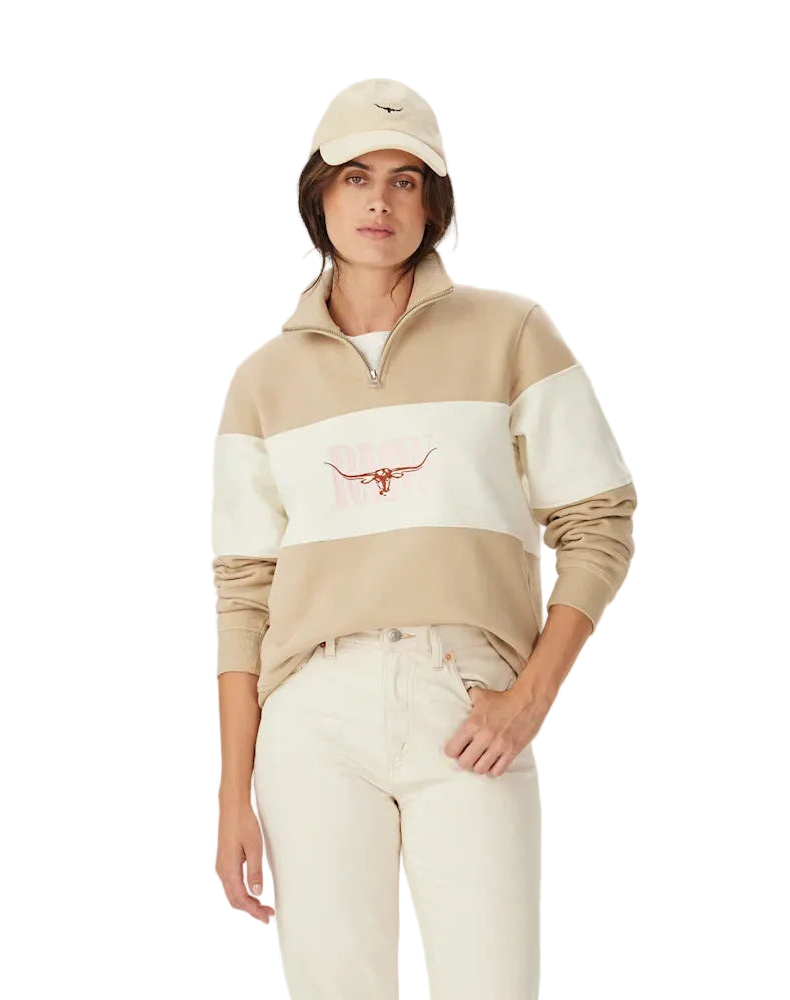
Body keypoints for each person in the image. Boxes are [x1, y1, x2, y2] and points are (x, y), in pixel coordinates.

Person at [211, 78, 637, 1000]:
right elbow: (243, 592)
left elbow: (599, 520)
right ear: (319, 193)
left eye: (406, 180)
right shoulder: (262, 382)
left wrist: (530, 698)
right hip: (313, 718)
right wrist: (231, 791)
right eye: (356, 176)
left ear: (433, 202)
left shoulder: (512, 333)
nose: (380, 201)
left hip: (468, 703)